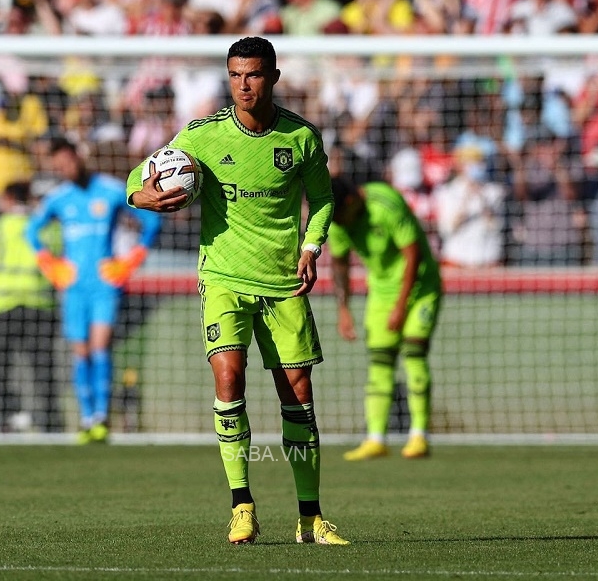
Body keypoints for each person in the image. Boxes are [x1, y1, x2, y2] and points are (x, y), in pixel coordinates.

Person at [126, 36, 349, 546]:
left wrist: (311, 248)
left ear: (273, 76)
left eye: (252, 75)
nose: (243, 85)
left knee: (298, 398)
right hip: (223, 278)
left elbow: (322, 200)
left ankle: (310, 518)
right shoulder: (203, 134)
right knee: (229, 380)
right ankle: (241, 506)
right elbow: (141, 174)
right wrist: (144, 196)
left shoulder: (302, 138)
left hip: (283, 282)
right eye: (234, 75)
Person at [26, 137, 161, 444]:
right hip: (73, 287)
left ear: (78, 155)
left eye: (67, 163)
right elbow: (31, 231)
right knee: (81, 351)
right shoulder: (59, 198)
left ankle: (101, 417)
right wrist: (50, 264)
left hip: (104, 284)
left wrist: (130, 262)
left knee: (100, 347)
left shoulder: (111, 190)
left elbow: (150, 221)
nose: (65, 170)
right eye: (58, 168)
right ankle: (87, 418)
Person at [328, 179, 442, 460]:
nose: (338, 223)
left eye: (340, 216)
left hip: (419, 288)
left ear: (351, 203)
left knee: (414, 353)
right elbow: (340, 263)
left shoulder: (386, 204)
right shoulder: (337, 220)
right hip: (380, 292)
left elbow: (412, 254)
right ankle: (375, 438)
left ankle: (419, 436)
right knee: (380, 363)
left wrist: (401, 306)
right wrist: (343, 309)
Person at [0, 181, 62, 432]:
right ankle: (52, 423)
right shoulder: (47, 229)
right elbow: (61, 269)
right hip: (39, 306)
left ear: (8, 199)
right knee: (44, 370)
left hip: (2, 307)